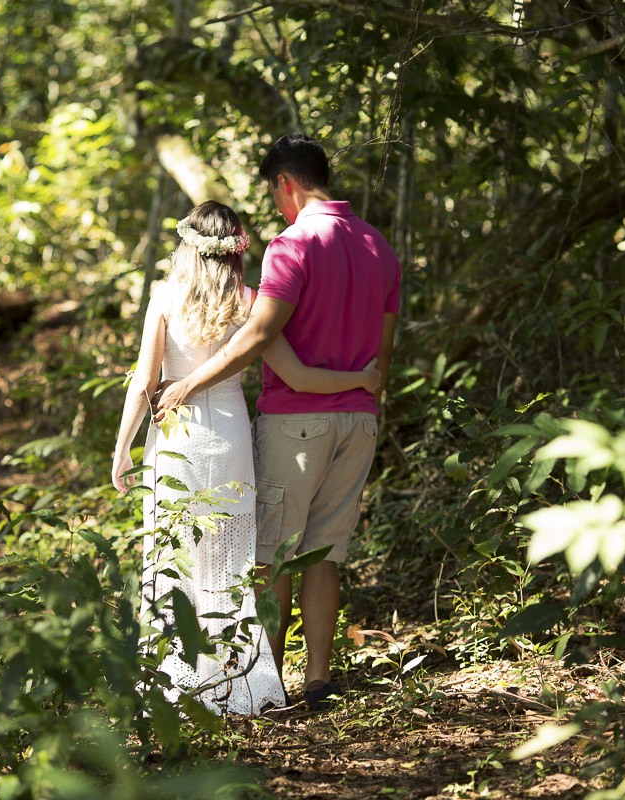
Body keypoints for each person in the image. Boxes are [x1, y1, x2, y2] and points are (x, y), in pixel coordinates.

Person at [155, 134, 401, 711]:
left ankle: (263, 684)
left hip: (296, 423)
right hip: (359, 421)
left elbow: (261, 334)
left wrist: (190, 383)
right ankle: (319, 679)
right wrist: (363, 387)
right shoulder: (377, 245)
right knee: (325, 552)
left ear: (285, 183)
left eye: (274, 194)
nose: (276, 206)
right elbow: (382, 355)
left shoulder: (292, 245)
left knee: (274, 553)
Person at [112, 200, 379, 715]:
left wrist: (123, 447)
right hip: (231, 438)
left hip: (176, 435)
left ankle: (173, 682)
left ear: (186, 245)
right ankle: (236, 683)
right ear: (236, 250)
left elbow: (145, 381)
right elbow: (300, 376)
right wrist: (362, 379)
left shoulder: (164, 297)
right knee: (229, 560)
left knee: (173, 553)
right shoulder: (249, 303)